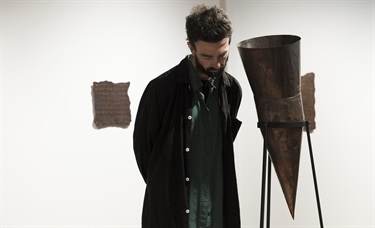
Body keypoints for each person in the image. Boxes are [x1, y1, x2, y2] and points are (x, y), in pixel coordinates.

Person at [133, 4, 242, 228]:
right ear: (191, 47)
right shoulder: (160, 90)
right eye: (207, 56)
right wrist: (168, 186)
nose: (217, 64)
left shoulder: (232, 90)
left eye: (223, 55)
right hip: (173, 217)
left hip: (217, 215)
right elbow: (145, 155)